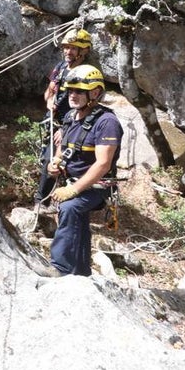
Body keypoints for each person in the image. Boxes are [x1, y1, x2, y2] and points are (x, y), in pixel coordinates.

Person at [46, 64, 123, 276]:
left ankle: (60, 267)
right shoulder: (71, 116)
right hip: (73, 181)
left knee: (71, 208)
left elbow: (103, 164)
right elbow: (64, 146)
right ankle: (81, 272)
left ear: (95, 92)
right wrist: (56, 162)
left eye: (79, 91)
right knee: (75, 219)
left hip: (96, 186)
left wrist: (74, 190)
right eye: (71, 90)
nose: (73, 94)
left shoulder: (107, 123)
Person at [35, 28, 93, 210]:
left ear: (83, 51)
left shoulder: (86, 74)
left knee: (53, 161)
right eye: (66, 47)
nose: (68, 52)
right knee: (48, 160)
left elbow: (89, 106)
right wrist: (49, 101)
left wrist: (66, 130)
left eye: (73, 48)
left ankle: (41, 201)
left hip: (71, 126)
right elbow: (49, 91)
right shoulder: (60, 68)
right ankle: (51, 199)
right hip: (52, 121)